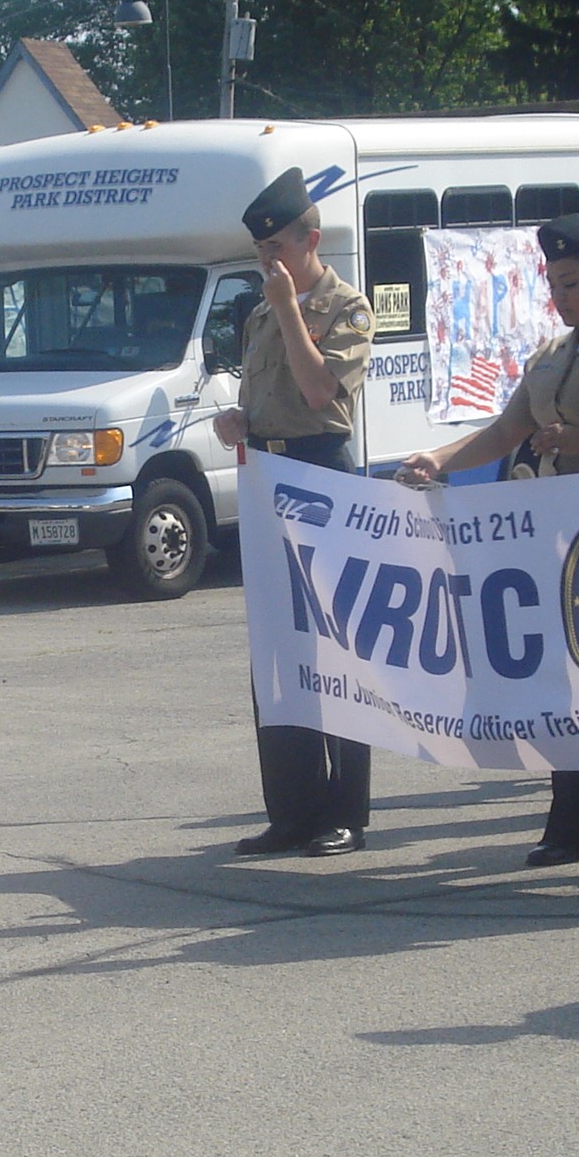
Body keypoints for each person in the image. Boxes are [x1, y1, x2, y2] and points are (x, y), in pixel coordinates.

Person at [398, 214, 579, 878]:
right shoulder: (552, 355)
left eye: (572, 282)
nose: (559, 296)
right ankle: (574, 825)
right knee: (561, 686)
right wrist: (438, 460)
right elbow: (506, 432)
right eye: (553, 284)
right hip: (554, 543)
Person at [210, 166, 376, 858]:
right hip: (268, 472)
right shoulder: (257, 312)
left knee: (334, 649)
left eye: (277, 246)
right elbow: (273, 398)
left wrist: (287, 308)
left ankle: (345, 811)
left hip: (322, 473)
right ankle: (292, 807)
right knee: (279, 650)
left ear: (312, 239)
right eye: (260, 252)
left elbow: (317, 395)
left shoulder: (347, 308)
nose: (268, 261)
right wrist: (240, 420)